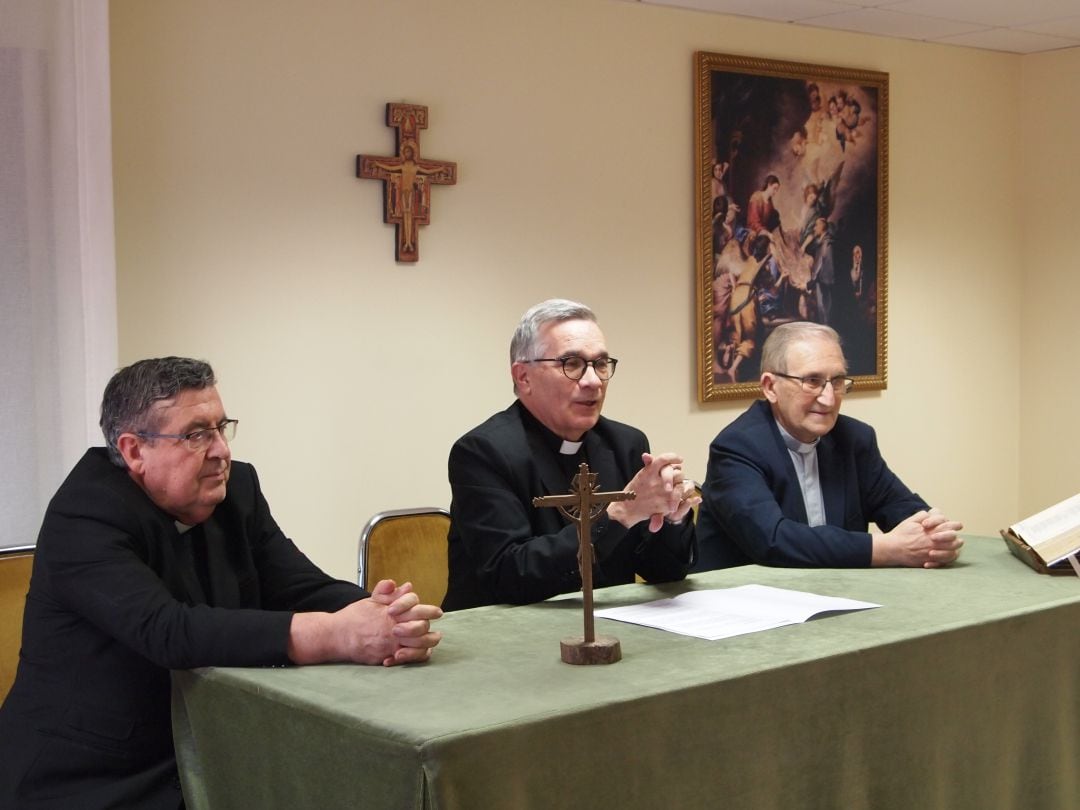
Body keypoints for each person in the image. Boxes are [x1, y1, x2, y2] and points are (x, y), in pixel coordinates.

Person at [0, 357, 443, 809]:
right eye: (196, 435)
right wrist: (337, 634)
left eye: (221, 427)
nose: (221, 452)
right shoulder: (86, 512)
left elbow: (299, 585)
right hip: (94, 774)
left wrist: (383, 615)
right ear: (134, 451)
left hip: (213, 745)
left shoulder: (236, 488)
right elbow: (168, 630)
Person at [443, 299, 698, 610]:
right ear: (523, 377)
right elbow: (510, 576)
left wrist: (671, 517)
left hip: (611, 630)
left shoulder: (625, 443)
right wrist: (619, 515)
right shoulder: (483, 453)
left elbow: (663, 572)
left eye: (601, 364)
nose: (592, 381)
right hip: (505, 637)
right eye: (572, 364)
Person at [695, 322, 963, 570]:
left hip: (839, 597)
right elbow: (774, 540)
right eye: (812, 381)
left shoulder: (854, 439)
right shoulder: (736, 448)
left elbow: (902, 509)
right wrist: (886, 549)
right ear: (770, 387)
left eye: (837, 382)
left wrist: (934, 535)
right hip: (745, 607)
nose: (828, 398)